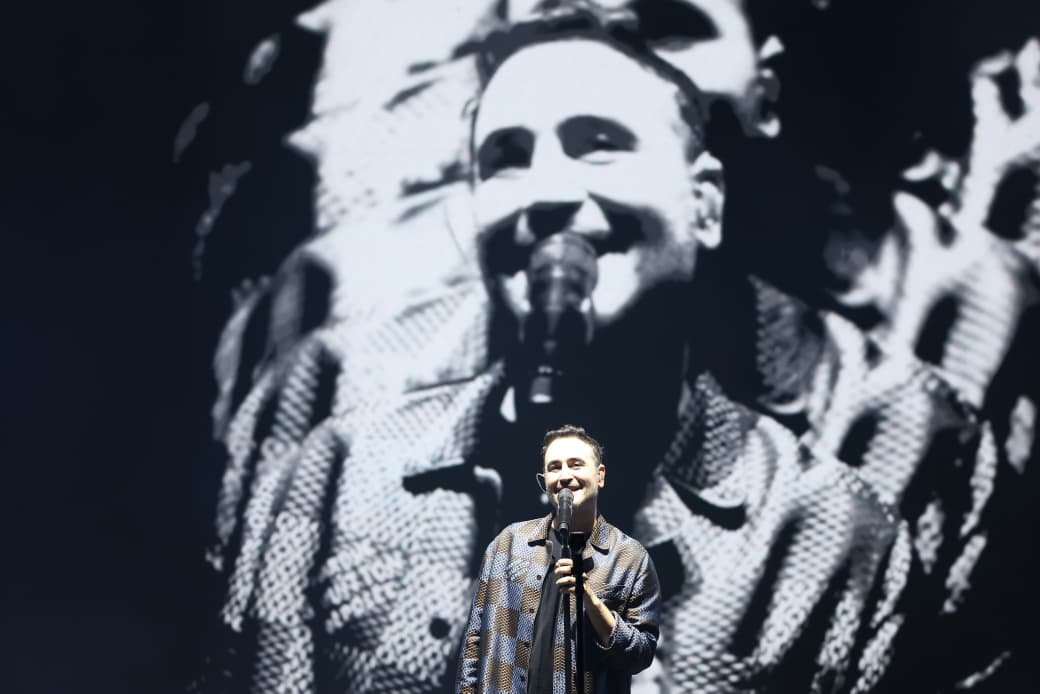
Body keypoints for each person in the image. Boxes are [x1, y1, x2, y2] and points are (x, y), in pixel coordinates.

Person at [196, 5, 908, 693]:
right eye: (506, 158)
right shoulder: (338, 471)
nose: (548, 192)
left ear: (706, 205)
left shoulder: (834, 532)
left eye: (600, 142)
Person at [456, 425, 661, 693]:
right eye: (554, 467)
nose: (565, 476)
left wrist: (591, 602)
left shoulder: (630, 558)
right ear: (544, 482)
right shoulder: (508, 544)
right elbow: (474, 642)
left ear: (600, 476)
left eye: (576, 465)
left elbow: (640, 654)